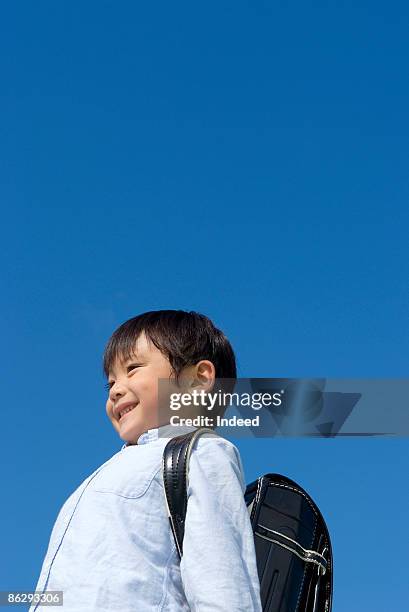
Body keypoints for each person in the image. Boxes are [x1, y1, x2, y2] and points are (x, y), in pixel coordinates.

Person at [30, 310, 262, 611]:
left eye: (133, 368)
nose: (115, 389)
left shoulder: (201, 453)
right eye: (109, 382)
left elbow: (224, 583)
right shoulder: (108, 472)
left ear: (198, 379)